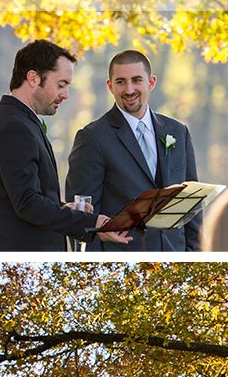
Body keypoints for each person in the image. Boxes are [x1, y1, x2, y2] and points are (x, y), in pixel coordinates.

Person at [0, 40, 131, 252]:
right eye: (61, 85)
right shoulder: (14, 126)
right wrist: (93, 223)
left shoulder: (16, 120)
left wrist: (64, 208)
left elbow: (26, 197)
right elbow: (28, 204)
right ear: (33, 78)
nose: (66, 94)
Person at [66, 50, 202, 251]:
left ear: (151, 82)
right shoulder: (92, 138)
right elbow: (82, 215)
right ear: (110, 86)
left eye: (136, 80)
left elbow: (192, 203)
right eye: (121, 82)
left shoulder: (178, 132)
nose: (129, 90)